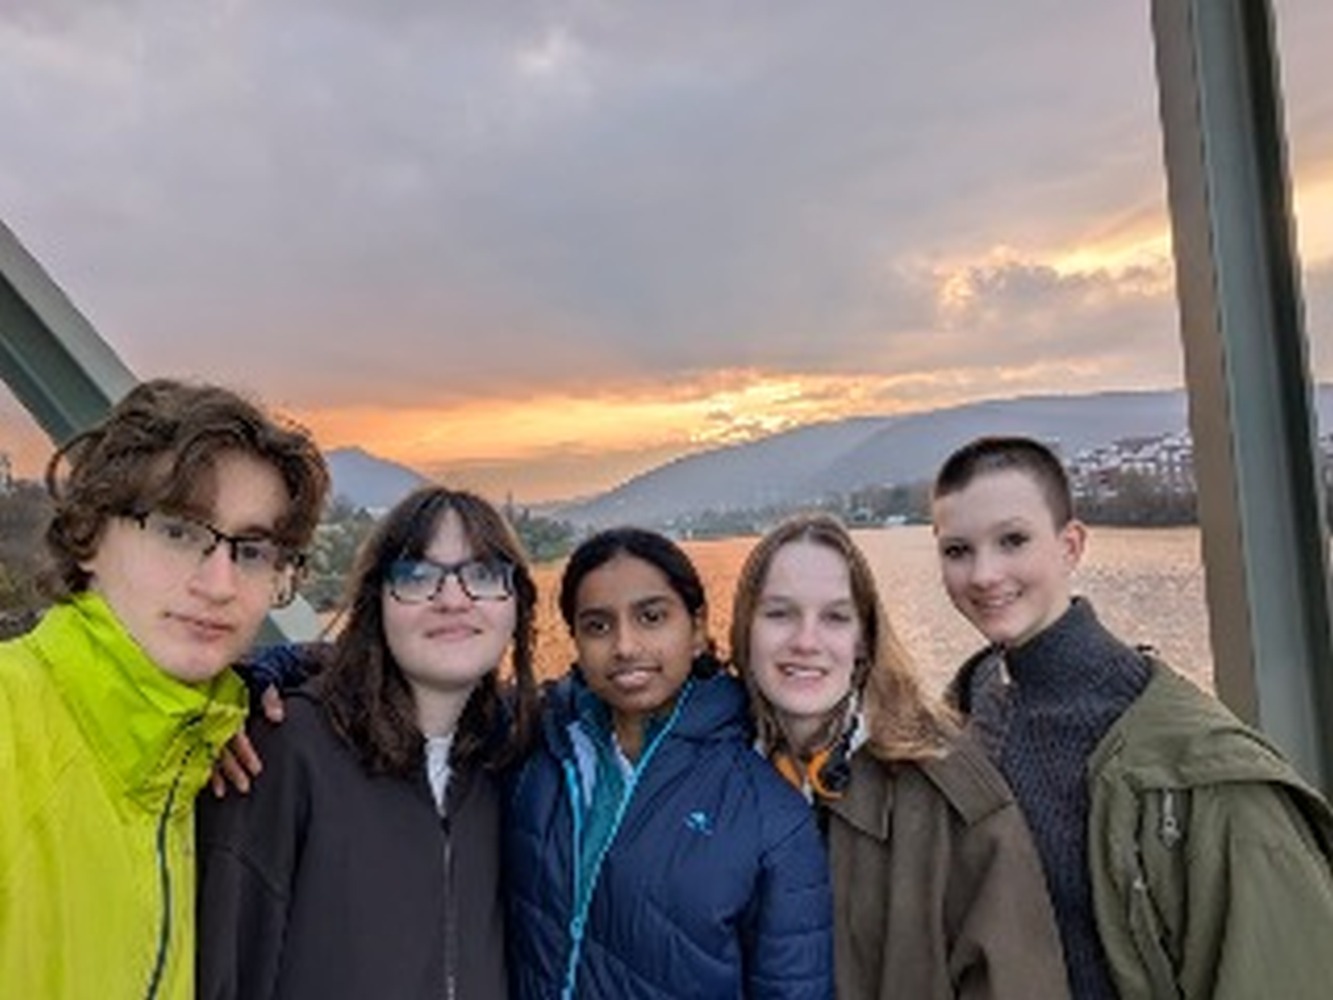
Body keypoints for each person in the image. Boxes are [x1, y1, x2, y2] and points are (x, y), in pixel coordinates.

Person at [931, 435, 1333, 999]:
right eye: (957, 550)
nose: (983, 574)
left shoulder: (1207, 773)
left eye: (1013, 540)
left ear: (1071, 546)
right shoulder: (975, 704)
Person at [0, 378, 329, 1000]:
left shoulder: (191, 754)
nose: (219, 584)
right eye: (179, 532)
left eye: (252, 551)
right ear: (89, 533)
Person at [196, 485, 539, 998]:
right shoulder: (283, 748)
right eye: (416, 576)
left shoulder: (512, 752)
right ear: (376, 601)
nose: (453, 600)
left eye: (484, 575)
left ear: (517, 604)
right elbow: (226, 970)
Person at [730, 512, 1068, 999]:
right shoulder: (710, 777)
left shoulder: (952, 792)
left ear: (863, 640)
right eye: (779, 613)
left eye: (835, 617)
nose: (805, 641)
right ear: (746, 628)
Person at [504, 527, 833, 999]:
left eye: (652, 617)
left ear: (697, 629)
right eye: (597, 626)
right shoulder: (533, 754)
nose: (625, 646)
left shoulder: (769, 812)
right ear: (575, 639)